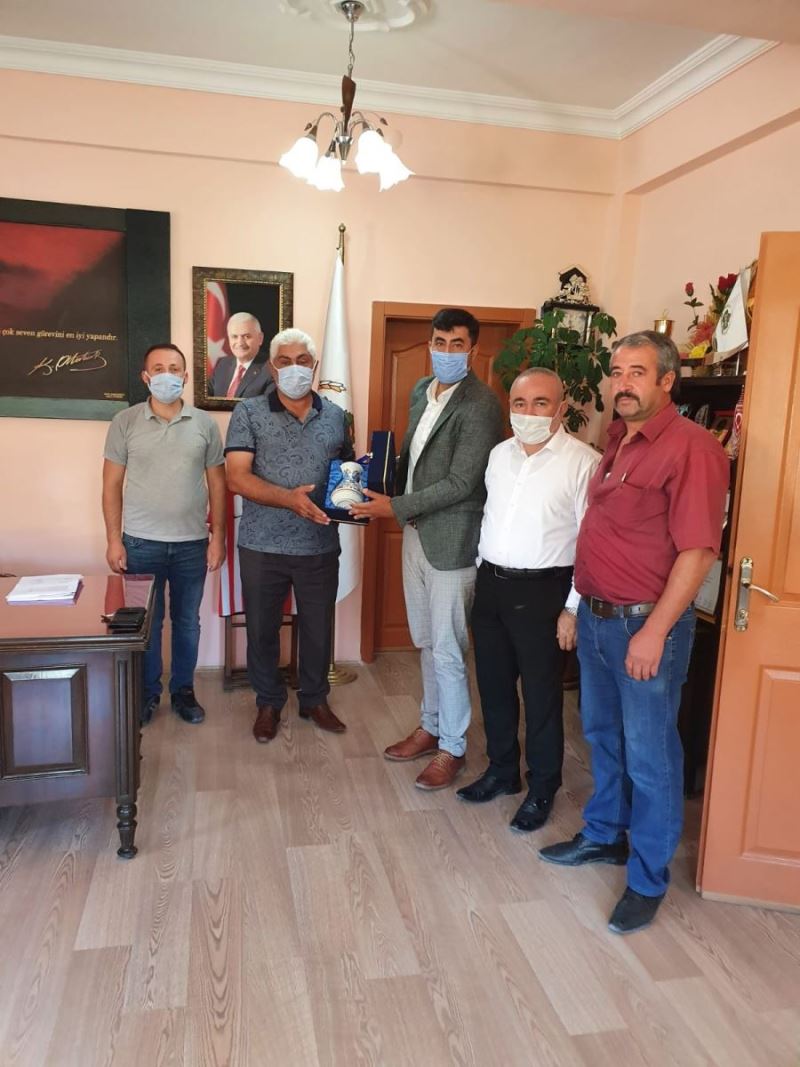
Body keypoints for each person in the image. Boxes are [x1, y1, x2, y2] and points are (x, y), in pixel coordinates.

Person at [539, 331, 729, 934]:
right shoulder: (619, 438)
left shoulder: (693, 448)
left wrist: (655, 632)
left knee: (651, 756)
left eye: (637, 373)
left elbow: (698, 552)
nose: (622, 383)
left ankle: (647, 878)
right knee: (603, 736)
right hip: (598, 619)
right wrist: (576, 608)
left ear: (667, 381)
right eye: (617, 372)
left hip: (645, 626)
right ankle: (605, 835)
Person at [350, 308, 504, 790]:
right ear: (430, 343)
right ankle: (431, 725)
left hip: (452, 539)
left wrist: (392, 506)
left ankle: (453, 747)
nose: (447, 352)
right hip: (415, 531)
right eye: (440, 342)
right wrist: (376, 478)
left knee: (450, 647)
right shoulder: (421, 390)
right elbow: (414, 457)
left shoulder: (481, 404)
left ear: (472, 349)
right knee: (426, 641)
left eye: (457, 344)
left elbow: (462, 482)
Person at [457, 368, 600, 831]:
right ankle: (502, 771)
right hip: (492, 585)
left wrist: (572, 608)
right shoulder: (499, 455)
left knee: (540, 697)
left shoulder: (583, 463)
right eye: (520, 403)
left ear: (561, 408)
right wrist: (482, 568)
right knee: (494, 687)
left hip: (545, 591)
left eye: (541, 403)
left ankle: (542, 787)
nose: (529, 412)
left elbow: (591, 544)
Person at [224, 327, 352, 742]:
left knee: (318, 628)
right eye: (284, 361)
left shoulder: (337, 416)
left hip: (319, 545)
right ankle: (268, 702)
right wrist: (288, 499)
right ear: (271, 368)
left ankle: (314, 699)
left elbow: (347, 473)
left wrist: (359, 494)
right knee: (262, 630)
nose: (294, 368)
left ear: (315, 366)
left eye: (302, 361)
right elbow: (236, 478)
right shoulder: (248, 412)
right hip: (262, 545)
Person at [102, 343, 226, 725]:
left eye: (174, 368)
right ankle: (148, 693)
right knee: (147, 624)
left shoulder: (205, 424)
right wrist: (113, 539)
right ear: (146, 377)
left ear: (185, 377)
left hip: (192, 544)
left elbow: (218, 485)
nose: (167, 375)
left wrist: (218, 537)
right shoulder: (125, 422)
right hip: (140, 543)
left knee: (187, 622)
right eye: (158, 369)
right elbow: (111, 485)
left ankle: (183, 691)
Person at [209, 312, 272, 399]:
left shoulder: (271, 370)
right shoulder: (223, 363)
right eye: (234, 336)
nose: (240, 343)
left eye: (247, 336)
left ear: (260, 338)